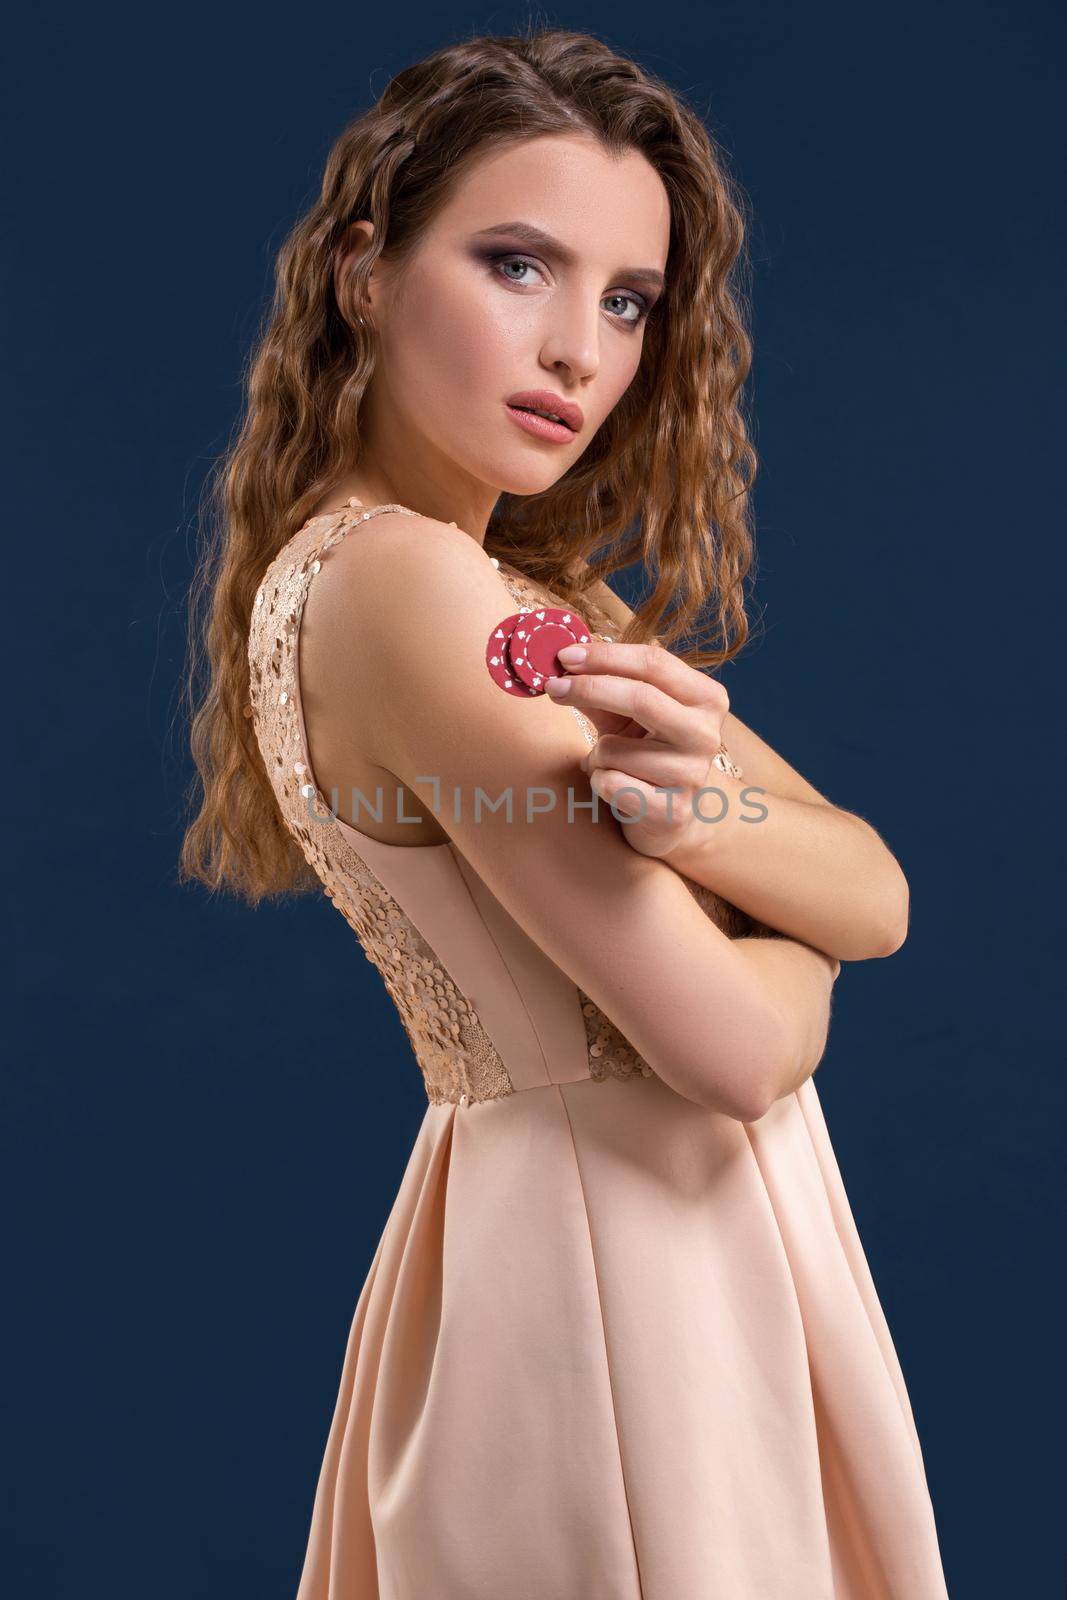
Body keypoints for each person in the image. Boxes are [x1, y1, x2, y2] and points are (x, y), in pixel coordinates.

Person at [179, 26, 950, 1599]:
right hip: (618, 1275)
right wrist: (776, 923)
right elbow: (735, 1049)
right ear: (362, 272)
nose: (579, 354)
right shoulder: (405, 584)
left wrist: (707, 847)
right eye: (517, 264)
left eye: (626, 300)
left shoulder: (530, 586)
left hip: (635, 1238)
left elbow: (880, 889)